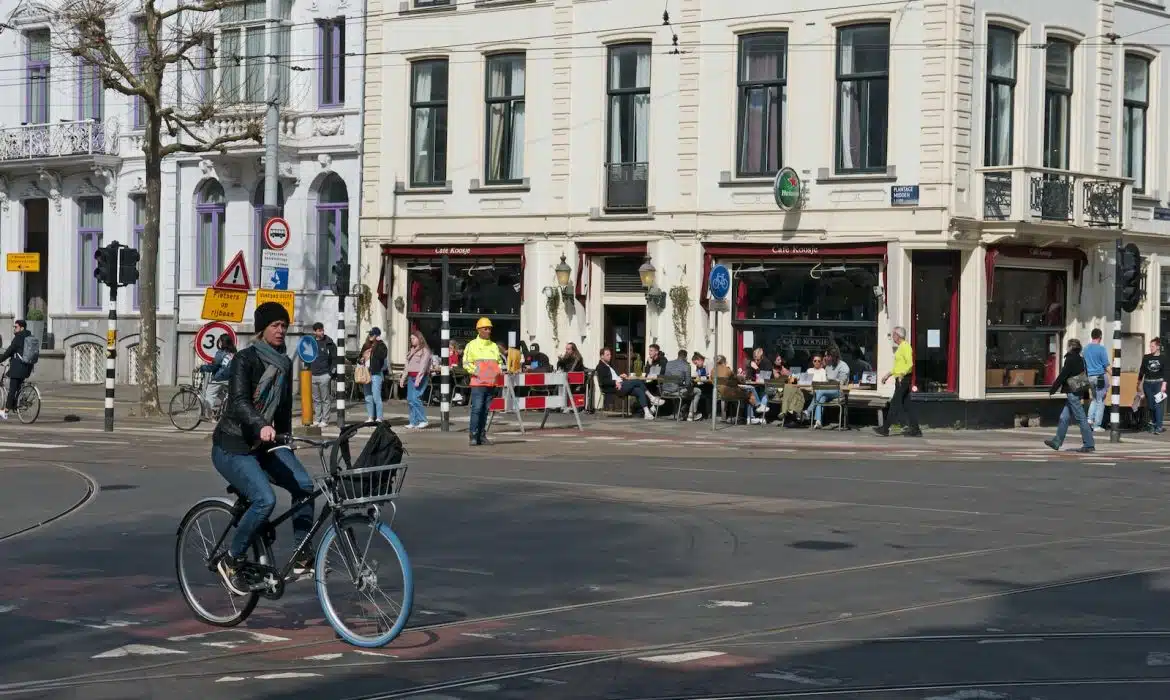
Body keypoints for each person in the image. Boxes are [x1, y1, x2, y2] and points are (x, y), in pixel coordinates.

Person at [211, 302, 315, 594]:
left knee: (305, 486)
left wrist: (288, 441)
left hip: (266, 444)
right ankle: (232, 559)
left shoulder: (283, 363)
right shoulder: (245, 359)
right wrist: (261, 425)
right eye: (275, 325)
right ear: (262, 330)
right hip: (233, 446)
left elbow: (282, 411)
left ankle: (301, 557)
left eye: (284, 325)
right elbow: (240, 401)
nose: (281, 330)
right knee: (264, 500)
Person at [1045, 338, 1095, 453]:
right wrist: (1086, 393)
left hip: (1072, 392)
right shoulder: (1081, 359)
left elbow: (1063, 374)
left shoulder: (1070, 359)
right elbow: (1084, 376)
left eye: (1068, 346)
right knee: (1064, 417)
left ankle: (1089, 444)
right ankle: (1057, 441)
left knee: (1081, 418)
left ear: (1071, 347)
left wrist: (1053, 389)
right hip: (1078, 391)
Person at [462, 317, 504, 446]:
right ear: (479, 330)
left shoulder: (493, 346)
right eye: (486, 329)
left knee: (485, 410)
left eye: (490, 328)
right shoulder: (472, 345)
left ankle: (481, 435)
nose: (488, 331)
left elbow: (499, 362)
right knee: (477, 409)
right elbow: (466, 362)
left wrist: (499, 370)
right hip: (478, 383)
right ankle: (473, 436)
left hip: (491, 383)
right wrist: (477, 372)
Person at [595, 346, 665, 420]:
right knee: (638, 381)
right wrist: (615, 382)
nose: (610, 356)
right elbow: (604, 381)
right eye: (607, 355)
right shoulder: (600, 367)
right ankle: (652, 398)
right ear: (602, 356)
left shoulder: (609, 365)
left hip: (620, 383)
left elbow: (614, 376)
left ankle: (647, 413)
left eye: (610, 354)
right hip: (614, 387)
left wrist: (620, 376)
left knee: (639, 390)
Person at [875, 326, 921, 437]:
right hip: (900, 378)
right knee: (907, 405)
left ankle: (885, 429)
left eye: (893, 335)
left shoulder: (906, 347)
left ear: (898, 335)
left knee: (895, 403)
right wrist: (888, 375)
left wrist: (902, 375)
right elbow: (899, 366)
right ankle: (916, 430)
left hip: (903, 379)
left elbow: (910, 364)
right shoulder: (901, 347)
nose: (892, 337)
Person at [805, 345, 849, 429]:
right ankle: (818, 421)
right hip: (827, 391)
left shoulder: (843, 366)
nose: (825, 358)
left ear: (832, 356)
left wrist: (831, 381)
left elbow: (842, 383)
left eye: (826, 356)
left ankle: (808, 411)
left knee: (819, 391)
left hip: (839, 391)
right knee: (821, 397)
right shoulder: (829, 366)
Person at [0, 320, 33, 420]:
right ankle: (17, 403)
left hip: (17, 368)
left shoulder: (18, 338)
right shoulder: (30, 337)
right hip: (27, 367)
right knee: (18, 387)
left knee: (12, 390)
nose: (14, 328)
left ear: (22, 328)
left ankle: (5, 412)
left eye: (16, 327)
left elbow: (9, 351)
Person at [401, 330, 432, 430]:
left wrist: (419, 378)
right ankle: (413, 421)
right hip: (411, 376)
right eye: (411, 338)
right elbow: (407, 366)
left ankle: (423, 420)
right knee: (410, 399)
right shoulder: (412, 350)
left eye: (413, 338)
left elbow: (423, 366)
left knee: (415, 398)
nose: (412, 340)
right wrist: (403, 378)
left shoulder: (425, 351)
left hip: (420, 377)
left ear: (419, 338)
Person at [309, 322, 337, 428]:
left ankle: (325, 420)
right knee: (316, 399)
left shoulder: (329, 343)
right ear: (315, 332)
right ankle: (317, 418)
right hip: (313, 374)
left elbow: (336, 358)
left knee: (325, 399)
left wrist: (331, 373)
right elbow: (306, 355)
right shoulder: (311, 342)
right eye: (319, 330)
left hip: (325, 374)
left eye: (322, 330)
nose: (322, 332)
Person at [198, 334, 236, 412]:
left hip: (219, 378)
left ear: (222, 342)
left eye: (220, 341)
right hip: (231, 378)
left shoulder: (221, 353)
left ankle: (208, 415)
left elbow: (214, 367)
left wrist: (202, 368)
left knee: (209, 394)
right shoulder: (234, 353)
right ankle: (222, 411)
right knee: (222, 395)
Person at [1137, 337, 1167, 434]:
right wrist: (1138, 382)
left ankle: (1159, 426)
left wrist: (1164, 385)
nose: (1151, 348)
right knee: (1151, 405)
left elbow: (1166, 372)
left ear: (1158, 347)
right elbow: (1142, 371)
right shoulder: (1146, 357)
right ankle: (1154, 423)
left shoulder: (1163, 358)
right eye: (1150, 346)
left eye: (1153, 346)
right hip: (1148, 384)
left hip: (1158, 383)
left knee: (1158, 404)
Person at [1083, 328, 1109, 432]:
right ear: (1100, 337)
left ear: (1092, 336)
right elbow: (1106, 366)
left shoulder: (1085, 349)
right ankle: (1097, 425)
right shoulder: (1101, 349)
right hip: (1100, 377)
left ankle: (1089, 420)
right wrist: (1115, 376)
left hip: (1089, 377)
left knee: (1094, 399)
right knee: (1100, 401)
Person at [359, 327, 388, 421]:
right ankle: (371, 416)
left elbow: (382, 356)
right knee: (368, 396)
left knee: (376, 397)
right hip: (366, 373)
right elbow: (359, 357)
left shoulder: (381, 345)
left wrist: (377, 345)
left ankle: (379, 417)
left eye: (372, 334)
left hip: (376, 373)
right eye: (370, 334)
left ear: (377, 336)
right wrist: (361, 359)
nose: (370, 336)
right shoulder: (366, 345)